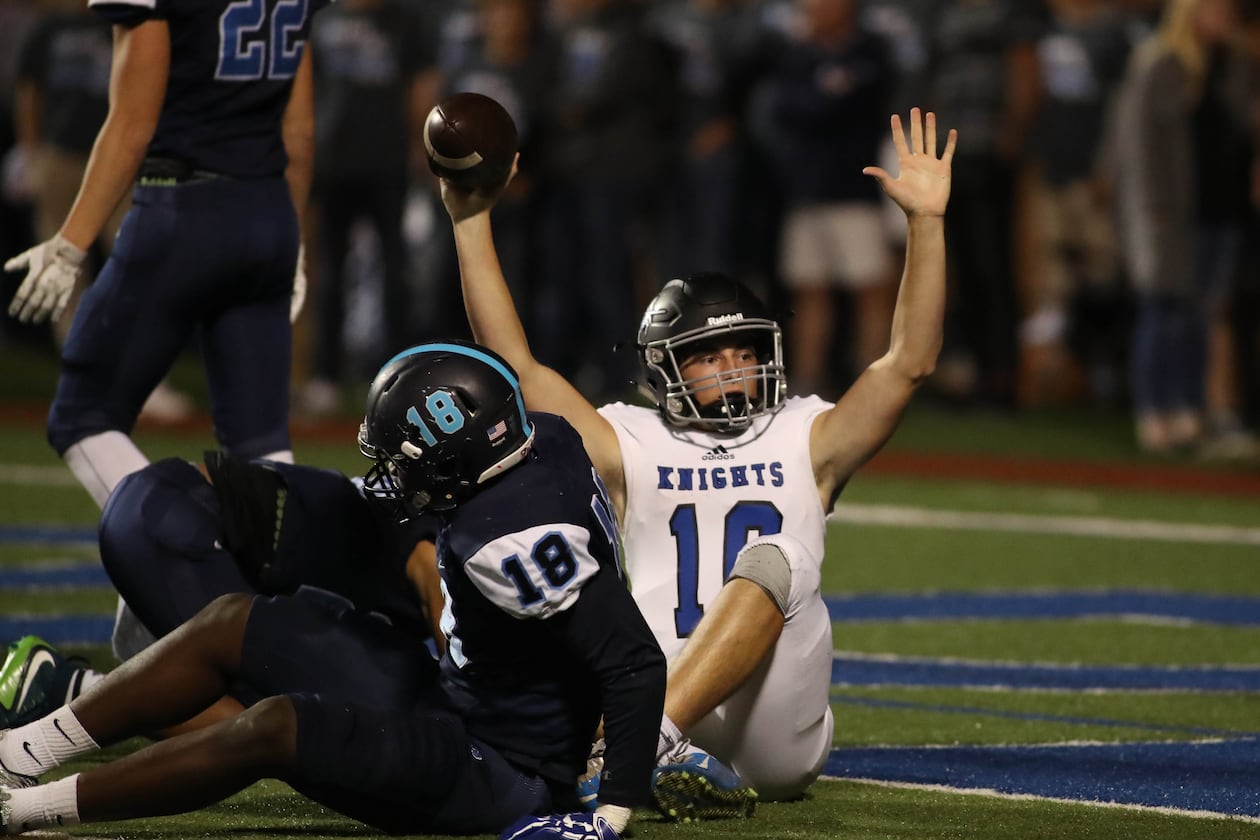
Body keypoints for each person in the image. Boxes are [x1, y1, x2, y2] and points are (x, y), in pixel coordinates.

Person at [441, 108, 955, 814]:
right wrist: (471, 222)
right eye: (710, 356)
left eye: (744, 353)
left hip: (768, 723)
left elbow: (909, 364)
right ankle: (648, 743)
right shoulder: (631, 437)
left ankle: (635, 746)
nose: (734, 369)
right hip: (650, 684)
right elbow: (517, 369)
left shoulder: (807, 430)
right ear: (666, 366)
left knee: (784, 556)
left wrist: (926, 225)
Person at [0, 341, 666, 839]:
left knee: (275, 724)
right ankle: (21, 753)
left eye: (405, 461)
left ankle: (22, 810)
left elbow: (633, 660)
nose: (392, 479)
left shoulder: (512, 542)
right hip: (465, 696)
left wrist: (609, 815)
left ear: (458, 457)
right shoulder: (543, 437)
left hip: (504, 770)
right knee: (236, 621)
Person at [2, 0, 325, 660]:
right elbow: (300, 128)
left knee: (82, 415)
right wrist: (288, 233)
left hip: (182, 207)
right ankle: (289, 636)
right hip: (265, 208)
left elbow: (131, 122)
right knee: (259, 447)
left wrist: (70, 241)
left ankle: (181, 577)